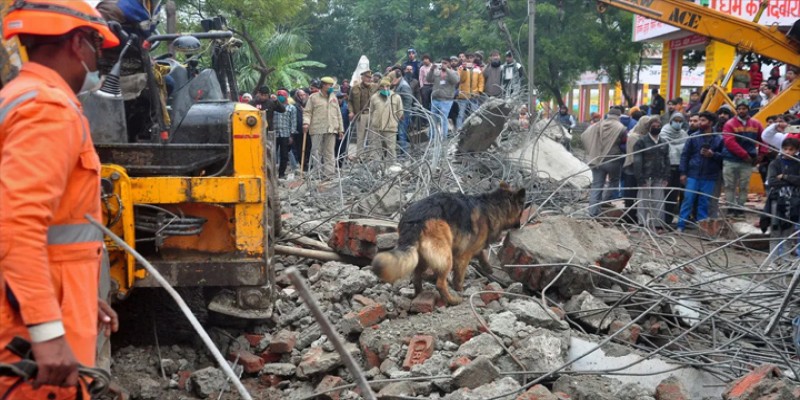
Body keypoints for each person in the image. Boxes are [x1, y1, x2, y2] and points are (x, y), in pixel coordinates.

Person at [0, 1, 120, 397]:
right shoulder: (48, 108)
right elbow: (17, 223)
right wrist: (48, 332)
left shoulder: (20, 96)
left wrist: (85, 297)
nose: (97, 60)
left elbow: (57, 230)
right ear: (76, 43)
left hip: (40, 301)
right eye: (96, 47)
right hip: (29, 327)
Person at [677, 112, 724, 232]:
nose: (700, 123)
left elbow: (723, 157)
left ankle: (701, 227)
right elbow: (685, 156)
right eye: (700, 120)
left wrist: (713, 155)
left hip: (709, 176)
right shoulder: (693, 137)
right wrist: (683, 173)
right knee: (688, 200)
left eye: (703, 120)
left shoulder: (718, 138)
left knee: (704, 202)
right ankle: (681, 225)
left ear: (710, 122)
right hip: (693, 174)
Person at [581, 107, 628, 217]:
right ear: (619, 116)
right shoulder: (621, 128)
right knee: (614, 182)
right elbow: (624, 144)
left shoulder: (598, 125)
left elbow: (584, 136)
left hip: (597, 160)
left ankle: (593, 212)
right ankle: (603, 201)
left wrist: (591, 150)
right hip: (613, 160)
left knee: (597, 185)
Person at [721, 103, 766, 217]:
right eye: (739, 109)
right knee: (729, 185)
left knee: (744, 185)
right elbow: (729, 142)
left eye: (744, 108)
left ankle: (740, 208)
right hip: (731, 159)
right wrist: (745, 155)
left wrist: (761, 154)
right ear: (736, 110)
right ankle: (731, 208)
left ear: (748, 110)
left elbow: (763, 139)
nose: (741, 111)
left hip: (748, 161)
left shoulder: (756, 124)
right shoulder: (730, 124)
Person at [763, 138, 800, 262]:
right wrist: (792, 181)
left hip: (794, 202)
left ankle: (785, 261)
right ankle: (772, 262)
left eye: (791, 150)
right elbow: (771, 181)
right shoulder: (775, 163)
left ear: (796, 151)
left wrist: (784, 176)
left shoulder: (797, 163)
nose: (788, 152)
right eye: (785, 149)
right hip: (776, 201)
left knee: (788, 233)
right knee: (775, 231)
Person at [303, 77, 344, 177]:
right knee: (316, 151)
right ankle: (316, 173)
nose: (331, 87)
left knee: (329, 152)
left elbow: (338, 114)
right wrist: (306, 123)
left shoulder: (333, 97)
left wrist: (341, 129)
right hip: (317, 128)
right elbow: (307, 112)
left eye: (331, 85)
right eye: (329, 85)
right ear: (323, 85)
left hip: (331, 128)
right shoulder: (313, 97)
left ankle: (329, 173)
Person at [634, 118, 670, 229]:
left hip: (659, 176)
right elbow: (637, 161)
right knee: (643, 201)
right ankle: (642, 223)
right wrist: (640, 178)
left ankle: (657, 225)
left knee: (659, 201)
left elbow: (667, 160)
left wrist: (666, 177)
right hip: (645, 176)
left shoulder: (664, 142)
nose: (656, 128)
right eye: (654, 126)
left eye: (658, 126)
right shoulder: (641, 142)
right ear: (649, 127)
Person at [622, 116, 655, 223]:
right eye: (647, 125)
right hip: (632, 168)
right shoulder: (633, 137)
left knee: (641, 195)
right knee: (630, 194)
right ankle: (630, 217)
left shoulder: (649, 137)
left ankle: (640, 217)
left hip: (644, 169)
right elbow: (635, 156)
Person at [367, 78, 404, 164]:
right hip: (377, 128)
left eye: (387, 86)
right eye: (382, 86)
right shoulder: (374, 97)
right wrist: (374, 122)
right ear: (379, 87)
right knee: (377, 149)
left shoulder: (396, 97)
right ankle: (378, 168)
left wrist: (393, 121)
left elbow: (400, 112)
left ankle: (391, 167)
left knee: (391, 149)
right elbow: (371, 112)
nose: (385, 88)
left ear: (390, 86)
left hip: (390, 128)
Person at [661, 112, 688, 225]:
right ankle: (660, 220)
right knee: (664, 195)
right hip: (666, 170)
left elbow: (686, 152)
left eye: (680, 121)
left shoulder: (684, 135)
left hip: (680, 169)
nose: (678, 123)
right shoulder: (663, 133)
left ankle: (668, 221)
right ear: (670, 121)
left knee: (674, 196)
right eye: (675, 120)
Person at [427, 58, 460, 139]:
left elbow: (455, 81)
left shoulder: (454, 72)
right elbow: (428, 79)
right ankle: (432, 138)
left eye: (445, 63)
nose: (443, 65)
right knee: (433, 119)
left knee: (444, 119)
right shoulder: (437, 73)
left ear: (449, 64)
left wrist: (447, 70)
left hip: (446, 100)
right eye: (441, 63)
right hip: (435, 99)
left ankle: (443, 138)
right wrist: (431, 70)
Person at [349, 70, 377, 159]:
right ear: (362, 77)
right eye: (367, 77)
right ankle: (359, 155)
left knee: (372, 136)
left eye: (370, 77)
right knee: (360, 136)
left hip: (372, 114)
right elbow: (350, 101)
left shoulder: (374, 87)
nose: (368, 79)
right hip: (361, 114)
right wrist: (351, 111)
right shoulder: (355, 88)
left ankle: (371, 156)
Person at [455, 53, 484, 132]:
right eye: (468, 58)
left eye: (471, 57)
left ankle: (475, 130)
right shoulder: (461, 68)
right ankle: (459, 130)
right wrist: (464, 69)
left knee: (475, 113)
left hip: (474, 95)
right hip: (463, 95)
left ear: (474, 59)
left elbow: (481, 81)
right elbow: (461, 80)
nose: (470, 59)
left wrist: (479, 91)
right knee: (461, 114)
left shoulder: (478, 69)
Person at [273, 90, 296, 179]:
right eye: (278, 95)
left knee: (284, 155)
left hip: (285, 134)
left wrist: (291, 135)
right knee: (272, 154)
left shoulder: (291, 108)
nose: (280, 97)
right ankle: (272, 173)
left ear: (286, 96)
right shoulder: (273, 107)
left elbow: (293, 122)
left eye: (282, 95)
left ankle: (281, 173)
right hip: (274, 134)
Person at [392, 71, 414, 156]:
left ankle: (404, 153)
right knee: (401, 132)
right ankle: (402, 151)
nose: (391, 82)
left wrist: (402, 113)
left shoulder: (404, 86)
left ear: (397, 78)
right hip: (400, 112)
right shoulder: (398, 84)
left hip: (404, 113)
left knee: (402, 132)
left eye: (392, 79)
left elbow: (409, 100)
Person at [336, 92, 350, 167]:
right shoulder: (333, 106)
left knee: (343, 147)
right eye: (338, 98)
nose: (339, 100)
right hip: (335, 130)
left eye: (341, 98)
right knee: (335, 147)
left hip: (345, 129)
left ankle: (341, 163)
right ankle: (335, 163)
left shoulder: (346, 107)